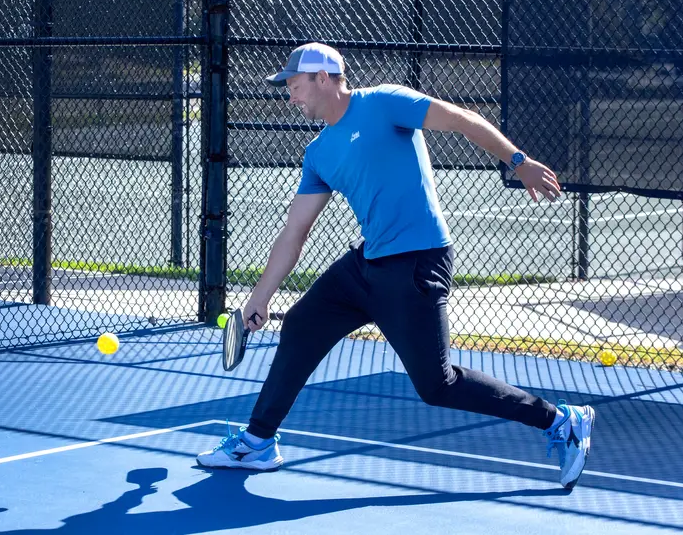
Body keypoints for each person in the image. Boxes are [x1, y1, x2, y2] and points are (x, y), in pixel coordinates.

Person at [196, 42, 596, 489]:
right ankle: (257, 442)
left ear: (323, 78)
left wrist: (517, 162)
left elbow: (462, 120)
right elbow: (295, 232)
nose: (290, 95)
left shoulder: (384, 103)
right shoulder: (319, 152)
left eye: (294, 84)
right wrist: (260, 296)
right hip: (367, 265)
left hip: (416, 263)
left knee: (437, 385)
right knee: (303, 324)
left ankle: (561, 421)